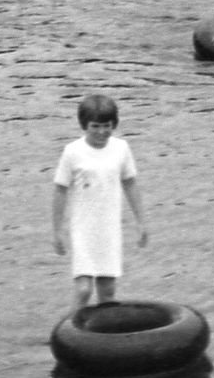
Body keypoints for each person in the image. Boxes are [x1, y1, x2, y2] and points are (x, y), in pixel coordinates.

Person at [50, 94, 148, 312]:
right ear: (84, 125)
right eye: (95, 126)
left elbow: (130, 183)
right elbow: (60, 190)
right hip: (83, 228)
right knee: (84, 289)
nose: (101, 132)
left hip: (109, 228)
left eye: (107, 126)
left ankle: (105, 331)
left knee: (108, 290)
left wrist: (141, 222)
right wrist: (57, 231)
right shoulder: (72, 152)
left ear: (114, 124)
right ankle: (70, 327)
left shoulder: (121, 148)